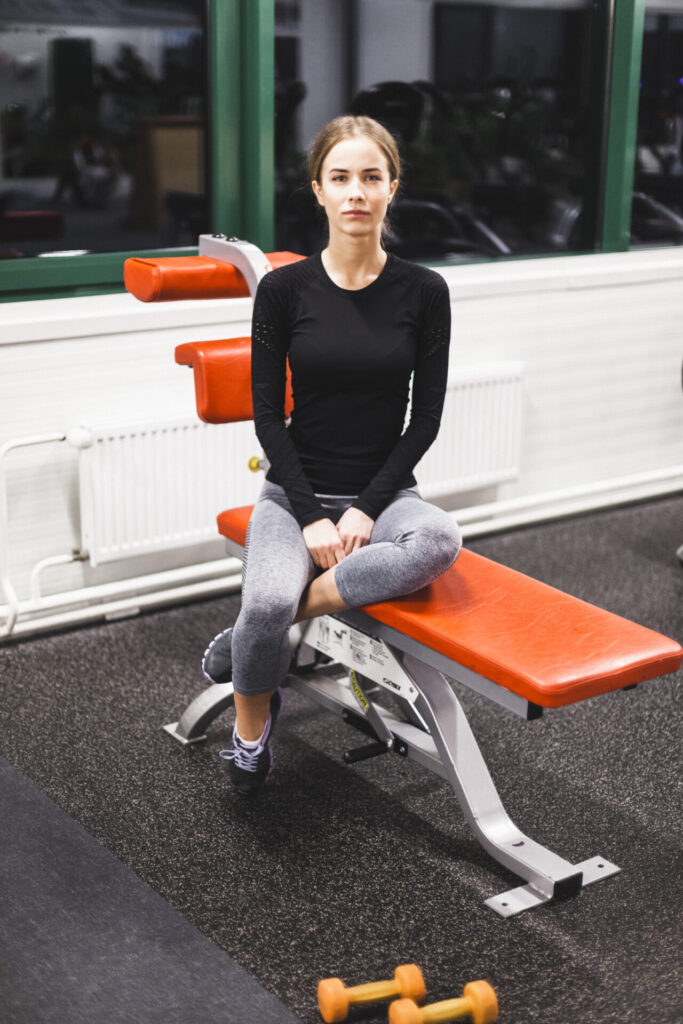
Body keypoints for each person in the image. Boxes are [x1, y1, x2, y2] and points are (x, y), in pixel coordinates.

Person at [203, 115, 462, 795]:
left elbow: (424, 420)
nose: (356, 193)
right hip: (296, 496)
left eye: (370, 178)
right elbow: (268, 416)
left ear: (391, 189)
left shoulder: (424, 291)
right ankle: (251, 735)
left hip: (386, 493)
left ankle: (246, 644)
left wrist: (367, 510)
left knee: (438, 539)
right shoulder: (284, 292)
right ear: (318, 190)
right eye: (340, 178)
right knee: (261, 604)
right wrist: (316, 514)